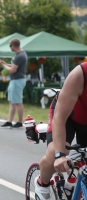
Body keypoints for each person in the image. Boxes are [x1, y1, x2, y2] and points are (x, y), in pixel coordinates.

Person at [34, 62, 87, 200]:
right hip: (67, 116)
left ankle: (72, 185)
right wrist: (59, 155)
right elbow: (60, 118)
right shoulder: (80, 75)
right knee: (53, 155)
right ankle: (42, 182)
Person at [0, 38, 27, 128]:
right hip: (15, 80)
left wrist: (2, 64)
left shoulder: (19, 56)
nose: (10, 48)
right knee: (12, 101)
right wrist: (5, 63)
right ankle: (9, 121)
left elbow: (12, 70)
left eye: (10, 46)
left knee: (18, 102)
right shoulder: (21, 54)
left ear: (13, 46)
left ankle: (20, 122)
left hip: (17, 80)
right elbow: (14, 66)